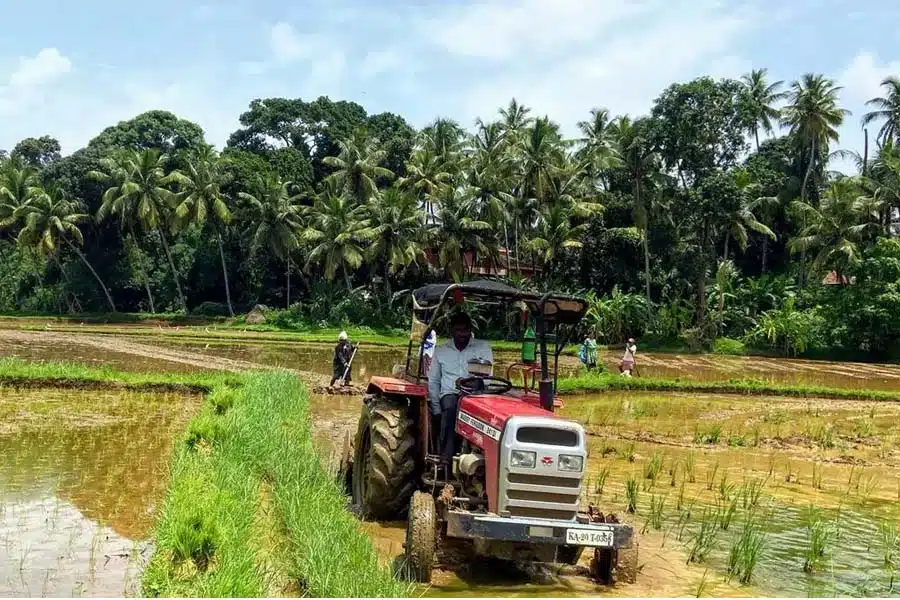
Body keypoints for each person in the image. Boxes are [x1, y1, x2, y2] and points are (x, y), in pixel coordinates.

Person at [427, 312, 493, 465]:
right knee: (450, 410)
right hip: (450, 393)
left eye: (465, 330)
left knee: (486, 418)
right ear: (451, 330)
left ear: (470, 330)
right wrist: (436, 409)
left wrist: (473, 382)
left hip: (476, 394)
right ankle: (446, 459)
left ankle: (484, 459)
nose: (462, 334)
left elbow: (488, 378)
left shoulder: (482, 348)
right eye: (458, 330)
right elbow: (434, 381)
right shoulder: (441, 351)